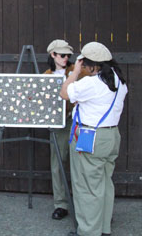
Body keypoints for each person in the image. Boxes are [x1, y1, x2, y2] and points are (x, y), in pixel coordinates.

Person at [61, 42, 128, 236]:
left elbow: (64, 93)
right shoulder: (118, 80)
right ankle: (103, 227)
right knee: (105, 183)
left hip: (90, 136)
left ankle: (89, 231)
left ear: (90, 63)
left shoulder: (91, 83)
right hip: (111, 135)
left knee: (86, 186)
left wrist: (74, 73)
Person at [44, 39, 75, 221]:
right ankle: (61, 204)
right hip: (58, 123)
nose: (65, 58)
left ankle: (82, 204)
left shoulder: (80, 72)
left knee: (80, 164)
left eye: (67, 55)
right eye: (62, 55)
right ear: (53, 55)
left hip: (78, 122)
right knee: (57, 163)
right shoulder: (47, 75)